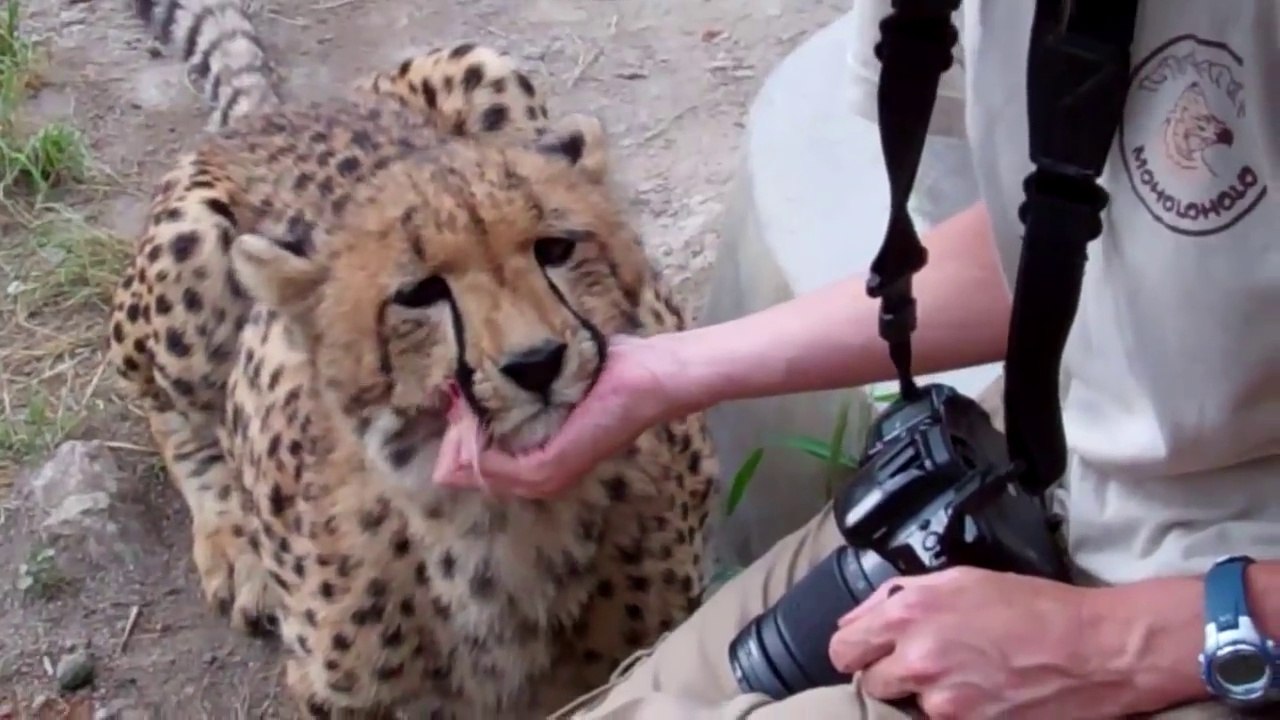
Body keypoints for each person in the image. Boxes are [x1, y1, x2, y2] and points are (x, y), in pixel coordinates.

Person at [434, 1, 1279, 718]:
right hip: (1048, 470)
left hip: (1216, 599)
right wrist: (664, 372)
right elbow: (1062, 245)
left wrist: (1112, 646)